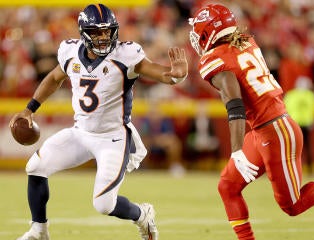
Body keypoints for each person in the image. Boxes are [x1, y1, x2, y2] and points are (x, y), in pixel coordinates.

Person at [9, 3, 188, 240]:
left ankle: (142, 214)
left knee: (104, 204)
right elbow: (54, 78)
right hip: (81, 132)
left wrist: (177, 75)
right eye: (96, 32)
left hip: (113, 137)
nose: (103, 37)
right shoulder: (69, 52)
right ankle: (39, 230)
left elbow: (160, 73)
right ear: (83, 32)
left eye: (107, 31)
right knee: (35, 167)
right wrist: (30, 109)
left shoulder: (125, 55)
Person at [188, 4, 314, 240]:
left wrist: (236, 150)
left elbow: (235, 103)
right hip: (263, 130)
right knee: (227, 186)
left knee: (292, 206)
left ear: (208, 32)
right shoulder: (245, 40)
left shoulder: (214, 58)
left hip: (276, 132)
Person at [284, 77, 314, 174]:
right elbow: (312, 109)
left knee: (292, 147)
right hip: (306, 123)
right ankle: (309, 168)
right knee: (307, 147)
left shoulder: (290, 95)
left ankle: (291, 168)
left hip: (294, 124)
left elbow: (286, 108)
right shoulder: (310, 95)